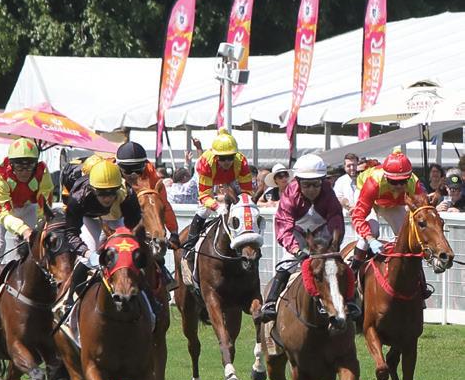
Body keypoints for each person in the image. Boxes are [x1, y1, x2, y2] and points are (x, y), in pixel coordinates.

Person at [255, 152, 350, 325]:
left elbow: (336, 220)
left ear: (323, 181)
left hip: (323, 236)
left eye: (316, 184)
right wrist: (297, 250)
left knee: (338, 266)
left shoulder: (328, 192)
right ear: (298, 182)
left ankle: (351, 301)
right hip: (297, 235)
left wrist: (332, 245)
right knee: (286, 265)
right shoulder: (290, 194)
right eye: (306, 185)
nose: (311, 189)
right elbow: (284, 225)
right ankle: (270, 302)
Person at [0, 137, 53, 328]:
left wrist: (38, 228)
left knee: (36, 245)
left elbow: (44, 207)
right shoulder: (0, 174)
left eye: (29, 165)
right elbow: (4, 214)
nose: (24, 171)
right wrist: (24, 229)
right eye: (19, 166)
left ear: (36, 164)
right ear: (11, 164)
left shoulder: (43, 172)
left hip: (27, 205)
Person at [64, 158, 144, 305]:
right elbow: (70, 233)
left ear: (118, 188)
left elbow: (134, 226)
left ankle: (151, 300)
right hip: (90, 217)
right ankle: (70, 301)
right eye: (101, 193)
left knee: (129, 253)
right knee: (87, 258)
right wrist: (87, 253)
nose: (107, 198)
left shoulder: (127, 195)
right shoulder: (77, 197)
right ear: (92, 189)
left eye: (111, 192)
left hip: (117, 217)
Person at [182, 128, 252, 272]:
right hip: (210, 177)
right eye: (222, 158)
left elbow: (247, 193)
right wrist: (218, 207)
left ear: (235, 155)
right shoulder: (205, 163)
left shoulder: (242, 162)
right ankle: (188, 248)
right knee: (204, 210)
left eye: (230, 157)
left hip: (231, 179)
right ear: (215, 157)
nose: (227, 162)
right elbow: (204, 196)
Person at [350, 149, 427, 271]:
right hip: (367, 194)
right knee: (373, 230)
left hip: (391, 202)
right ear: (386, 178)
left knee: (405, 234)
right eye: (394, 182)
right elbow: (358, 216)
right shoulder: (373, 183)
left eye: (403, 181)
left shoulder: (414, 184)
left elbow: (424, 213)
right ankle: (354, 271)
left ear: (409, 178)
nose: (399, 186)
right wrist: (370, 239)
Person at [115, 141, 180, 247]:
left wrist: (174, 232)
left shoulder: (153, 178)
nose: (133, 175)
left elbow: (164, 205)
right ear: (118, 167)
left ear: (144, 166)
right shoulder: (110, 173)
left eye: (138, 170)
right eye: (128, 171)